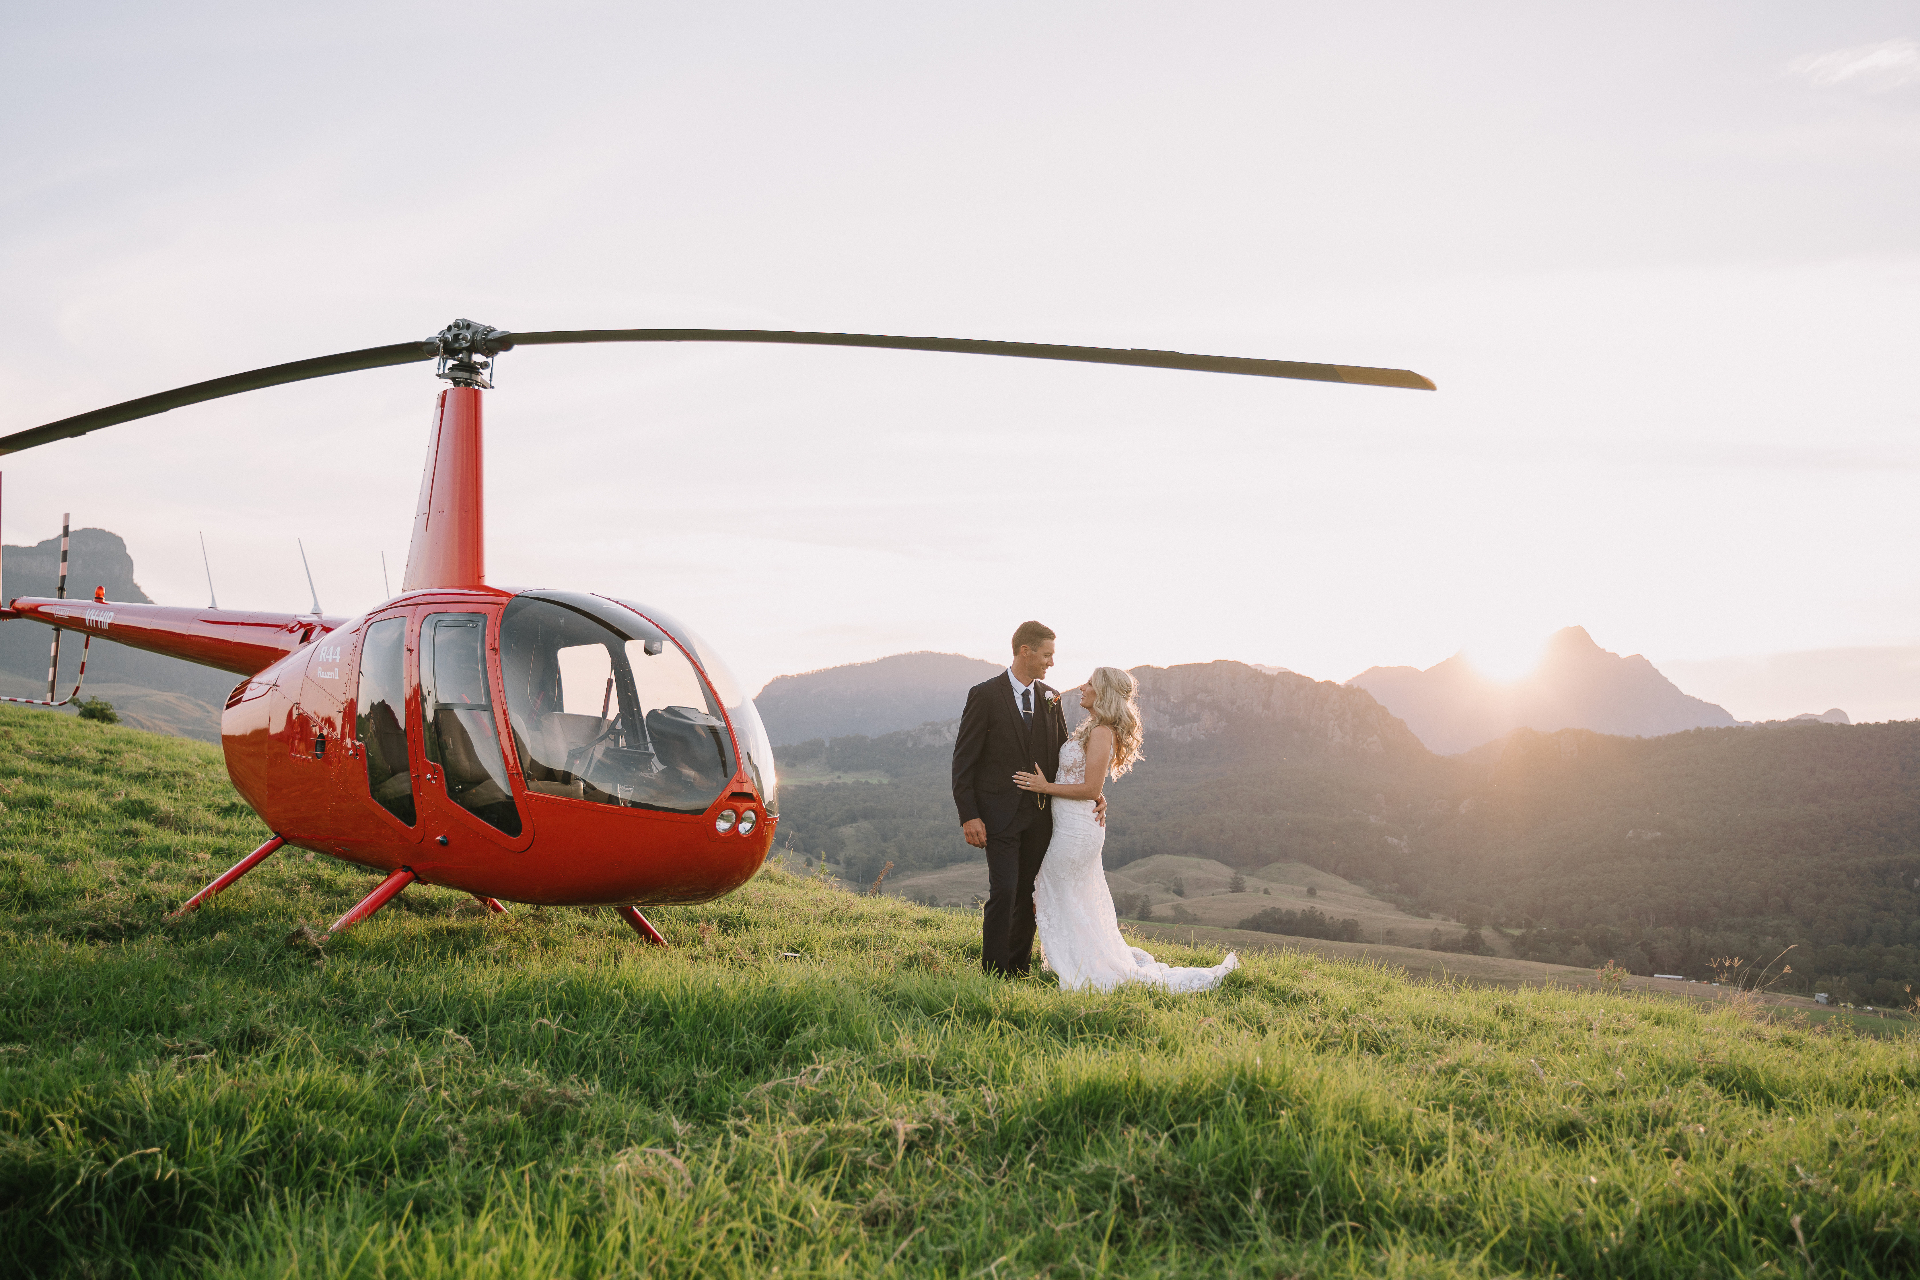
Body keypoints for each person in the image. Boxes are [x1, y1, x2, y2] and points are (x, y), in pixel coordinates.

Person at [1014, 666, 1240, 993]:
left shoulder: (1102, 730)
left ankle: (1085, 965)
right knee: (1066, 891)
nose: (1083, 686)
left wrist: (1043, 787)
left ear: (1103, 692)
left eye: (1090, 683)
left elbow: (1091, 788)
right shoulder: (1092, 727)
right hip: (1070, 824)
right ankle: (1078, 959)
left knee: (1056, 884)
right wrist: (1078, 791)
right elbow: (1088, 784)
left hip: (1078, 831)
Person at [952, 621, 1091, 977]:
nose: (1051, 663)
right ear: (1025, 651)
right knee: (1005, 890)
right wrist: (969, 815)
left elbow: (1062, 756)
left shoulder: (1051, 697)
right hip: (997, 815)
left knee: (1029, 894)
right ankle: (993, 971)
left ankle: (1018, 968)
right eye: (1047, 655)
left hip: (1041, 817)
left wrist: (1093, 793)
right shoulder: (984, 695)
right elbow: (963, 761)